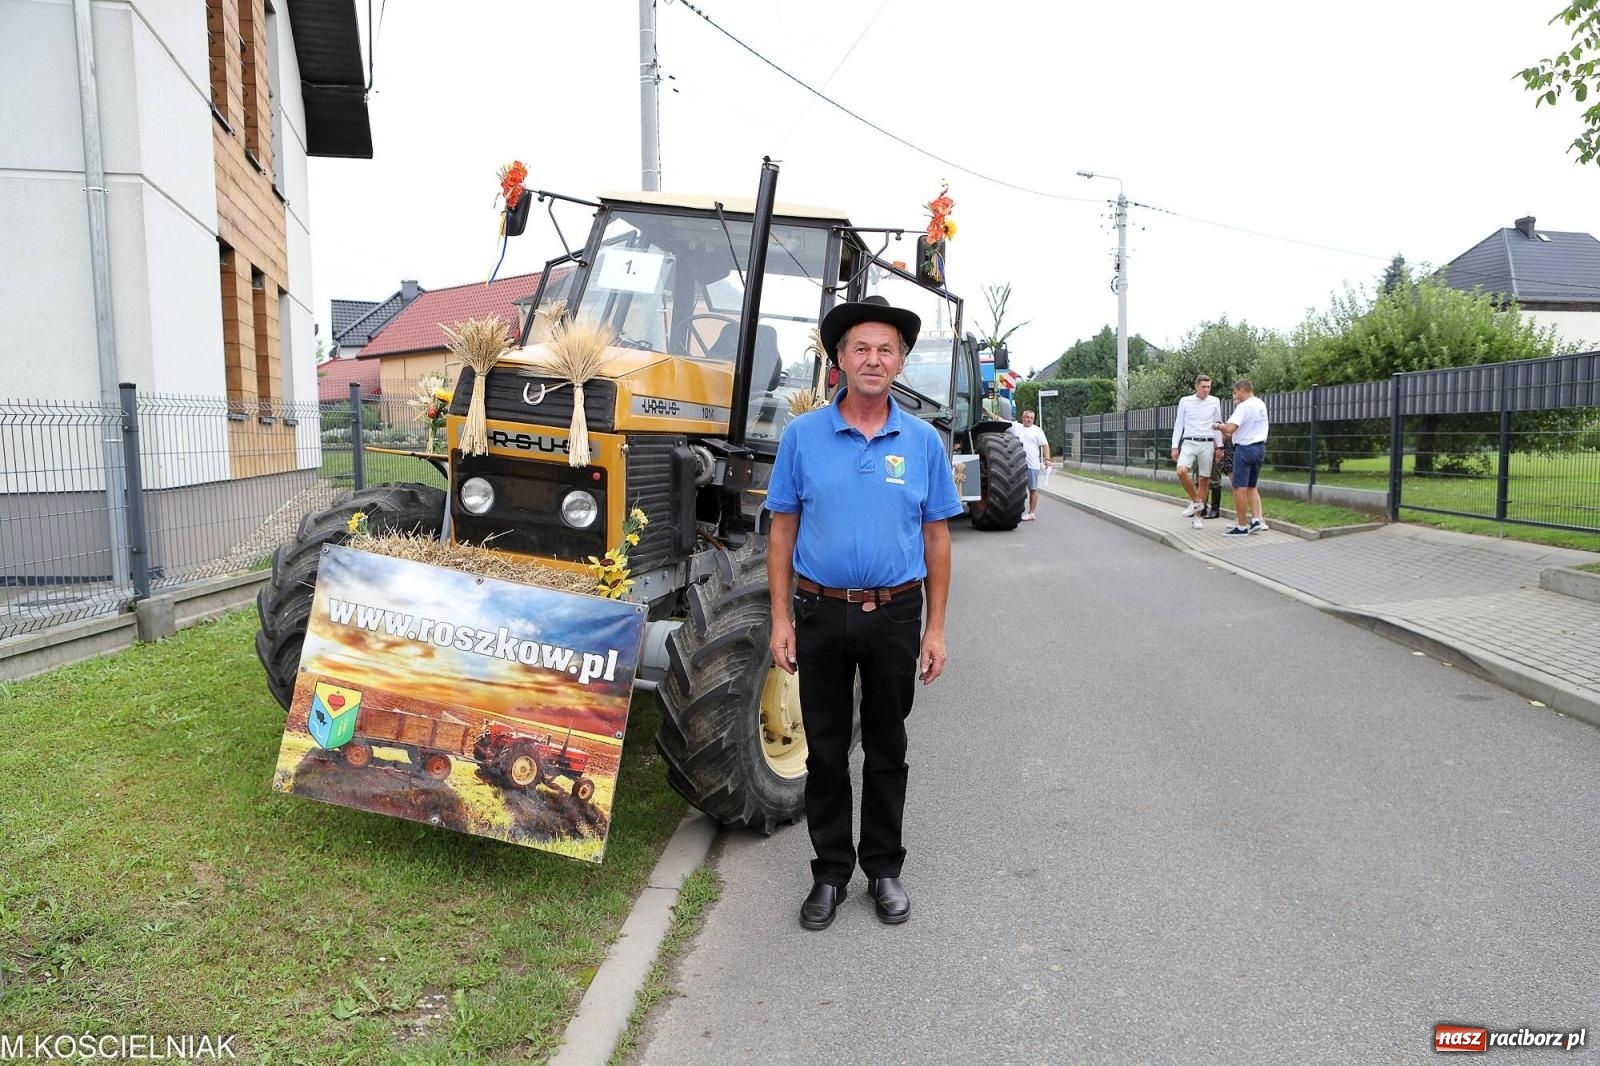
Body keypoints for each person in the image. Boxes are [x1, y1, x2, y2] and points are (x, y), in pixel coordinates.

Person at [766, 295, 963, 931]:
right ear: (840, 361)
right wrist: (780, 619)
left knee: (886, 746)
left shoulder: (924, 442)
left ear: (900, 360)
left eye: (886, 349)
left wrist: (934, 628)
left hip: (897, 616)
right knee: (824, 751)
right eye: (861, 348)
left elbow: (937, 538)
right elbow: (782, 531)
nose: (874, 359)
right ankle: (829, 873)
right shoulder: (802, 437)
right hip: (821, 612)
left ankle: (883, 869)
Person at [1213, 378, 1270, 536]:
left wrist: (1217, 426)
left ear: (1242, 390)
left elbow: (1230, 429)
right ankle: (1257, 520)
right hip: (1259, 448)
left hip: (1245, 449)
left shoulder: (1244, 406)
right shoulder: (1260, 404)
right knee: (1252, 486)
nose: (1235, 395)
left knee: (1239, 487)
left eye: (1236, 391)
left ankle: (1242, 526)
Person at [1170, 374, 1223, 530]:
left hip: (1207, 442)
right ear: (1196, 387)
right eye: (1203, 387)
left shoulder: (1215, 401)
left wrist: (1219, 446)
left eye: (1208, 387)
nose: (1206, 390)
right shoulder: (1185, 401)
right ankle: (1196, 502)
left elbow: (1218, 424)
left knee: (1204, 480)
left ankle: (1198, 517)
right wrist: (1174, 446)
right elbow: (1179, 424)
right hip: (1189, 441)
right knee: (1181, 471)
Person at [1008, 409, 1052, 520]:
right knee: (1016, 489)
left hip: (1032, 465)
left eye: (1031, 418)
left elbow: (1045, 445)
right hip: (1018, 465)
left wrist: (1047, 459)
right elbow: (1000, 420)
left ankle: (1031, 513)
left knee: (1033, 489)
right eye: (1027, 417)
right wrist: (987, 412)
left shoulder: (1037, 431)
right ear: (1023, 418)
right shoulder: (1016, 427)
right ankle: (1016, 511)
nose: (1029, 420)